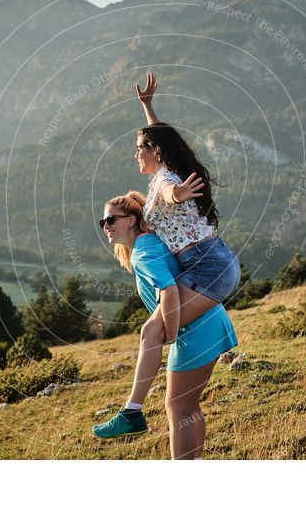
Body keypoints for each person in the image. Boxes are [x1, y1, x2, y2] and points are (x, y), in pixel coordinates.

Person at [93, 192, 237, 459]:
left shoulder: (144, 252)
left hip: (196, 331)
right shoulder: (148, 244)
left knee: (177, 407)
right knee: (188, 407)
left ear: (131, 220)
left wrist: (169, 334)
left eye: (112, 219)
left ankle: (132, 411)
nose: (107, 226)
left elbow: (169, 291)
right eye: (103, 222)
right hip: (211, 323)